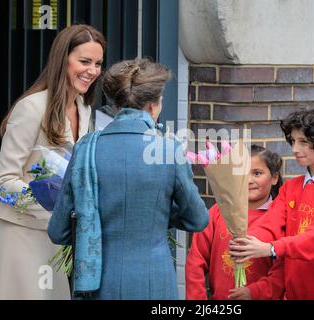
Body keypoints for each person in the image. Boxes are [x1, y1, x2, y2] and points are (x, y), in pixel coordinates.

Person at [48, 58, 209, 300]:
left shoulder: (85, 148)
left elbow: (58, 232)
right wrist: (159, 213)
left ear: (116, 104)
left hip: (98, 284)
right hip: (155, 282)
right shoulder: (168, 150)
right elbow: (197, 219)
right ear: (154, 105)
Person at [0, 24, 106, 300]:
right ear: (63, 59)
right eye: (84, 61)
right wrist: (52, 200)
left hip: (55, 237)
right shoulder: (31, 107)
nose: (93, 71)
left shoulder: (85, 110)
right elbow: (3, 184)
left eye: (98, 63)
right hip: (18, 234)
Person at [228, 108, 314, 300]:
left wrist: (271, 248)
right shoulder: (291, 187)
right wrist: (246, 242)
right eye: (294, 141)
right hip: (293, 292)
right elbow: (270, 223)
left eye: (304, 142)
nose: (295, 149)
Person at [186, 145, 283, 300]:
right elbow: (196, 260)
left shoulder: (281, 216)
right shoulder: (218, 212)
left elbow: (282, 271)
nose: (249, 180)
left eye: (257, 173)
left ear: (274, 177)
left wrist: (256, 291)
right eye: (242, 174)